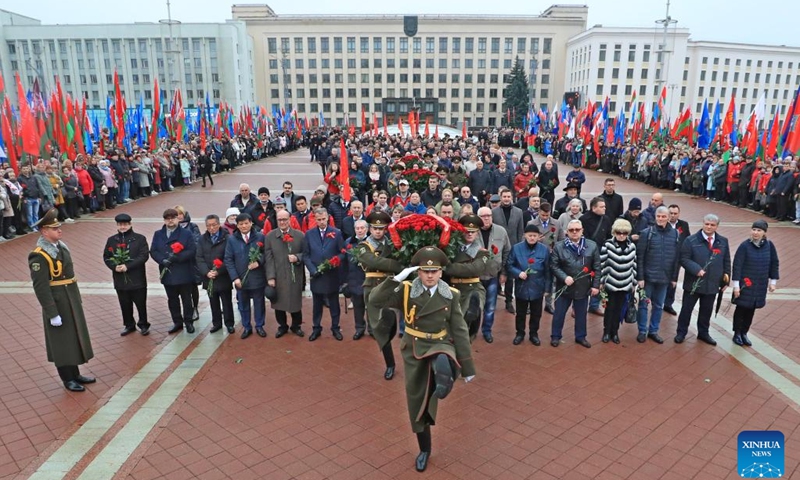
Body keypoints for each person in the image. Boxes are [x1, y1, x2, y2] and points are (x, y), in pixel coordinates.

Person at [368, 246, 476, 473]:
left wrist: (467, 367)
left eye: (434, 271)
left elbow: (459, 330)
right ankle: (424, 449)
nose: (429, 276)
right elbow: (375, 300)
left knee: (443, 360)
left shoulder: (451, 295)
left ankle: (445, 375)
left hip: (440, 343)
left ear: (440, 272)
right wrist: (396, 278)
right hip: (414, 348)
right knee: (417, 404)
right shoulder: (406, 290)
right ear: (418, 272)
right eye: (425, 271)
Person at [29, 209, 95, 392]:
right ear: (44, 232)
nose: (59, 230)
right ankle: (67, 379)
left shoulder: (60, 246)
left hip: (70, 298)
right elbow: (40, 287)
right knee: (62, 342)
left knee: (73, 338)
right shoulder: (39, 255)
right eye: (54, 228)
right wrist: (52, 313)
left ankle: (75, 373)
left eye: (59, 227)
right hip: (57, 303)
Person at [356, 211, 405, 379]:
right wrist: (396, 265)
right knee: (378, 327)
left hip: (390, 286)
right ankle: (390, 363)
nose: (378, 231)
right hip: (372, 288)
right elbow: (373, 262)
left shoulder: (392, 244)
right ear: (369, 229)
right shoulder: (363, 246)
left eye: (381, 228)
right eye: (375, 228)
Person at [675, 214, 731, 345]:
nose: (709, 227)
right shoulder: (691, 240)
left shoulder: (723, 241)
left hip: (712, 284)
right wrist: (696, 269)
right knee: (686, 310)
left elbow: (726, 260)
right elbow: (684, 258)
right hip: (693, 283)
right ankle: (681, 332)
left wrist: (726, 279)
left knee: (706, 310)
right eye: (707, 224)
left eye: (712, 225)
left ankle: (703, 333)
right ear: (703, 223)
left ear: (717, 226)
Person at [549, 219, 601, 348]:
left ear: (582, 230)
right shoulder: (559, 246)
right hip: (564, 287)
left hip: (583, 287)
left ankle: (581, 337)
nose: (574, 232)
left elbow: (597, 268)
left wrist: (595, 285)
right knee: (559, 314)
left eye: (577, 229)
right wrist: (564, 277)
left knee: (581, 314)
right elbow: (554, 266)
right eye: (571, 230)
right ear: (567, 232)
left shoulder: (592, 246)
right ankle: (555, 336)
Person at [730, 220, 780, 346]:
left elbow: (774, 263)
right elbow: (737, 266)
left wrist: (773, 281)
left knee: (751, 309)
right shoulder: (744, 246)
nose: (755, 232)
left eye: (759, 230)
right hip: (745, 284)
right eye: (754, 229)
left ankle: (744, 333)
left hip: (760, 284)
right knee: (741, 308)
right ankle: (737, 333)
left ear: (764, 233)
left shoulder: (769, 246)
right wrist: (736, 285)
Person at [635, 206, 680, 344]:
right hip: (647, 278)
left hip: (664, 278)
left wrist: (674, 278)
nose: (660, 219)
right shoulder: (646, 233)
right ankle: (642, 330)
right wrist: (640, 277)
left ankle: (653, 331)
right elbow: (640, 257)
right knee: (643, 304)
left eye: (663, 216)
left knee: (659, 305)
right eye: (658, 216)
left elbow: (676, 259)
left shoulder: (675, 234)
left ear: (668, 217)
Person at [150, 208, 198, 334]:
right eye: (167, 218)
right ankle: (177, 322)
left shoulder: (186, 234)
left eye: (173, 217)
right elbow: (153, 250)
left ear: (178, 218)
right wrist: (162, 260)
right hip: (168, 272)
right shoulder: (158, 234)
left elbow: (192, 250)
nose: (170, 220)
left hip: (183, 271)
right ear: (164, 220)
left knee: (187, 299)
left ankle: (189, 322)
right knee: (172, 299)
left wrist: (178, 257)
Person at [103, 213, 150, 336]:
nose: (122, 227)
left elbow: (143, 256)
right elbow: (107, 257)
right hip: (120, 279)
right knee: (124, 303)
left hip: (137, 278)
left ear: (130, 224)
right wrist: (114, 267)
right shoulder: (112, 240)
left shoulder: (140, 239)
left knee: (140, 303)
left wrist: (128, 266)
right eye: (120, 224)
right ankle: (129, 325)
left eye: (125, 224)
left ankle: (143, 324)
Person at [303, 208, 346, 341]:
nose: (321, 222)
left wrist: (334, 262)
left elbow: (342, 252)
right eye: (319, 219)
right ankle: (316, 328)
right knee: (317, 303)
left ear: (327, 218)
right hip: (316, 275)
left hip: (331, 274)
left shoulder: (336, 233)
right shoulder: (309, 234)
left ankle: (335, 327)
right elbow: (306, 255)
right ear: (315, 219)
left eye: (323, 219)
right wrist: (312, 269)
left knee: (334, 302)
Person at [445, 215, 489, 341]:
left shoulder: (482, 252)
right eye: (467, 231)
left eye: (473, 232)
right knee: (449, 327)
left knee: (464, 326)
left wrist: (449, 268)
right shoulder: (451, 248)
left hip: (472, 289)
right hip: (452, 289)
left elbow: (475, 269)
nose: (469, 234)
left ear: (477, 233)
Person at [224, 212, 268, 339]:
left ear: (251, 223)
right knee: (243, 305)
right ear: (237, 225)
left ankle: (259, 325)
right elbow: (228, 259)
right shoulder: (232, 239)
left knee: (259, 303)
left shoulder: (260, 237)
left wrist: (259, 261)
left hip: (257, 277)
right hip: (241, 278)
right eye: (240, 224)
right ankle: (246, 327)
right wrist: (235, 277)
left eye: (246, 223)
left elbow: (266, 253)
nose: (243, 226)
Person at [506, 224, 551, 345]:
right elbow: (509, 265)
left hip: (538, 286)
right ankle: (520, 333)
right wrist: (518, 273)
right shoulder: (516, 248)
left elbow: (548, 270)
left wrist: (547, 288)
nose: (532, 238)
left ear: (538, 236)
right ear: (525, 235)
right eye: (530, 235)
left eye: (534, 236)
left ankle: (534, 333)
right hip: (522, 286)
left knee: (536, 313)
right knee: (520, 313)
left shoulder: (544, 249)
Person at [264, 209, 306, 337]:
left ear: (290, 220)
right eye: (279, 220)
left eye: (284, 219)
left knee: (295, 303)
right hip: (278, 275)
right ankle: (282, 326)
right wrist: (271, 276)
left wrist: (297, 257)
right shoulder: (270, 236)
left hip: (295, 275)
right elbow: (268, 257)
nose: (282, 222)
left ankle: (296, 325)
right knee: (278, 303)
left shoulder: (299, 236)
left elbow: (306, 254)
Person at [476, 206, 511, 343]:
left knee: (490, 307)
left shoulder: (501, 231)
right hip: (475, 276)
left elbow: (507, 252)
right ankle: (471, 330)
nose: (486, 218)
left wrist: (503, 272)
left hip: (492, 276)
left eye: (488, 215)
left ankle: (487, 331)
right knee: (475, 306)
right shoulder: (473, 232)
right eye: (483, 216)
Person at [598, 219, 636, 344]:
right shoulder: (608, 244)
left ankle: (615, 332)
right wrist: (602, 282)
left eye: (624, 233)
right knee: (609, 308)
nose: (621, 235)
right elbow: (602, 264)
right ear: (614, 232)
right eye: (619, 232)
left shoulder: (632, 246)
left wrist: (633, 283)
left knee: (619, 310)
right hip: (611, 284)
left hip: (625, 284)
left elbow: (634, 265)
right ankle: (606, 332)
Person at [197, 214, 235, 334]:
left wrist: (218, 271)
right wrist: (206, 272)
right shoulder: (202, 239)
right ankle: (216, 323)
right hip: (209, 277)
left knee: (226, 302)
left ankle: (229, 323)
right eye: (209, 226)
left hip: (223, 276)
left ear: (219, 224)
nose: (211, 228)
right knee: (213, 302)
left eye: (214, 225)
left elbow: (229, 257)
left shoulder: (227, 238)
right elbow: (199, 258)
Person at [491, 188, 524, 314]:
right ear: (500, 197)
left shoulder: (519, 212)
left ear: (512, 197)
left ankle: (509, 301)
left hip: (513, 247)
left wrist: (520, 247)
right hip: (497, 248)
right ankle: (492, 299)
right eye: (504, 196)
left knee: (510, 276)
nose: (506, 198)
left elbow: (520, 231)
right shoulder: (494, 212)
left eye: (508, 196)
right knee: (495, 273)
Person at [663, 204, 691, 315]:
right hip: (664, 257)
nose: (673, 216)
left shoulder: (683, 225)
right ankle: (658, 301)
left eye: (675, 213)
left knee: (673, 281)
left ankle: (668, 303)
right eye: (671, 213)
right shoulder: (663, 224)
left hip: (677, 258)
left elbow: (688, 239)